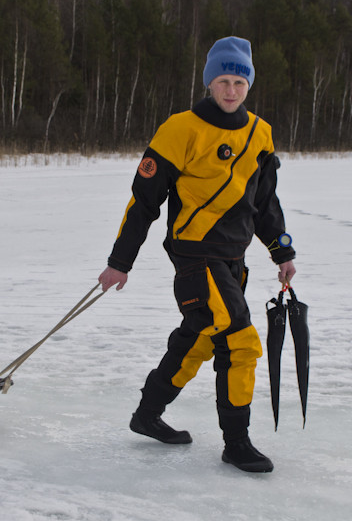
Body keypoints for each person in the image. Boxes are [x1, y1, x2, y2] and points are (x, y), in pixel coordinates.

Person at [98, 36, 296, 473]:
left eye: (239, 81)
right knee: (241, 343)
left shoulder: (259, 133)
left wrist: (281, 250)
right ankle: (237, 442)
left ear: (249, 85)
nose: (231, 90)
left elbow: (264, 203)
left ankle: (147, 415)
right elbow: (144, 202)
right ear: (209, 83)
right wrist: (120, 262)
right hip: (194, 259)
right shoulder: (180, 129)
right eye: (223, 80)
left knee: (202, 338)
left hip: (233, 260)